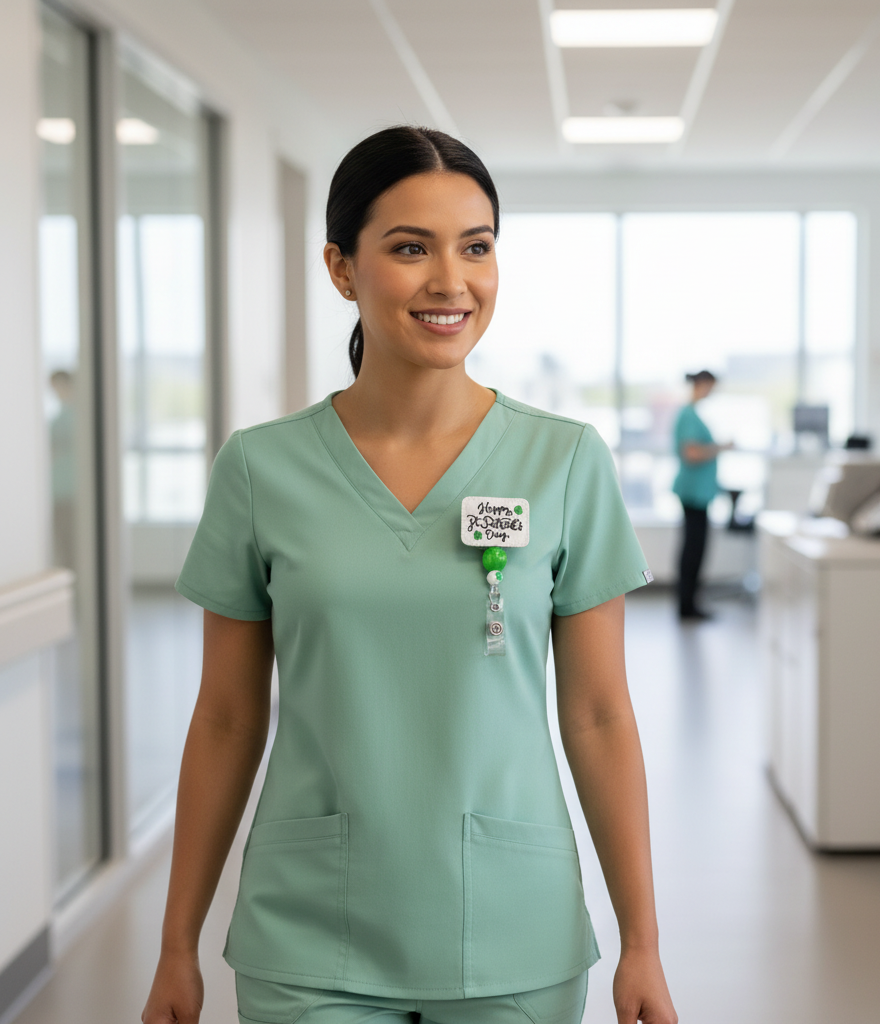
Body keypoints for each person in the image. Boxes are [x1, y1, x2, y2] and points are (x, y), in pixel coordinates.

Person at [142, 126, 677, 1024]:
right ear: (342, 268)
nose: (450, 281)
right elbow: (228, 717)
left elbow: (598, 713)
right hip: (309, 934)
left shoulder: (566, 463)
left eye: (476, 247)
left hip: (513, 929)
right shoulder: (259, 471)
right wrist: (174, 946)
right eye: (408, 248)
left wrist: (644, 943)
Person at [672, 370, 730, 621]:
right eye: (711, 387)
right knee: (693, 549)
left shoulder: (693, 414)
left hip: (699, 493)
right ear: (702, 384)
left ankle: (691, 602)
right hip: (692, 493)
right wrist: (720, 448)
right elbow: (691, 454)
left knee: (696, 548)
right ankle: (687, 606)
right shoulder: (687, 415)